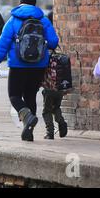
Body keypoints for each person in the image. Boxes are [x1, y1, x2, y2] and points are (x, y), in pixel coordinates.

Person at [0, 0, 59, 141]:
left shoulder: (13, 19)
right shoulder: (43, 19)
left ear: (20, 3)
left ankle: (26, 116)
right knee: (30, 96)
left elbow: (3, 42)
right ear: (34, 5)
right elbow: (54, 42)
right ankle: (28, 131)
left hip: (17, 65)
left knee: (14, 96)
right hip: (39, 65)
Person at [41, 10, 68, 140]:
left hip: (49, 87)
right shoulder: (59, 55)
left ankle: (50, 132)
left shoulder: (44, 54)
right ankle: (62, 123)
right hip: (60, 87)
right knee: (56, 108)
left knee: (46, 111)